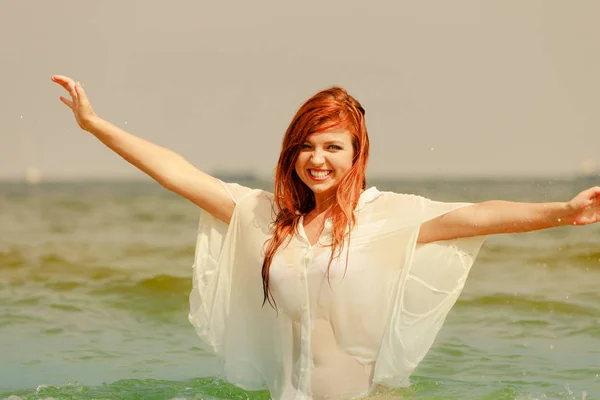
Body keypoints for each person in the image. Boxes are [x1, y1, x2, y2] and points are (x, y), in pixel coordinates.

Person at [52, 75, 600, 400]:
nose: (317, 159)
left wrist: (566, 210)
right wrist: (95, 124)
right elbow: (181, 174)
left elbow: (478, 215)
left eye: (333, 147)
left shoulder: (386, 218)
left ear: (357, 154)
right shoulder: (268, 219)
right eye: (306, 146)